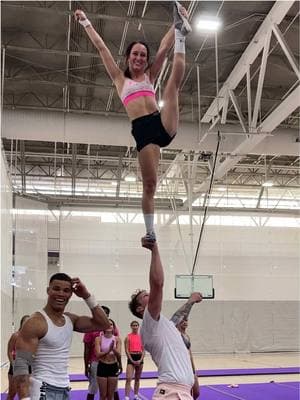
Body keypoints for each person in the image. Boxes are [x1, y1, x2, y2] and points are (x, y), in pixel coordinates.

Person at [74, 2, 192, 245]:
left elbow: (163, 47)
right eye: (135, 54)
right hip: (143, 132)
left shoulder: (150, 75)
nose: (139, 58)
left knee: (172, 88)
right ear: (128, 57)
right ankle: (150, 231)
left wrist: (176, 23)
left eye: (142, 55)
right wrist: (86, 22)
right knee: (150, 185)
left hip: (161, 123)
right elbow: (101, 47)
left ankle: (182, 33)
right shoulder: (119, 79)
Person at [13, 273, 110, 400]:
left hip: (64, 388)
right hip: (43, 389)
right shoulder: (35, 322)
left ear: (71, 294)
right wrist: (25, 398)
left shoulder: (71, 319)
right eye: (56, 289)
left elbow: (103, 323)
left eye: (66, 290)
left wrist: (86, 295)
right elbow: (21, 363)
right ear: (48, 290)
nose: (61, 294)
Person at [128, 240, 202, 400]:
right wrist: (154, 249)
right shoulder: (148, 323)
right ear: (140, 309)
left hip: (181, 392)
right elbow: (158, 284)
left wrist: (190, 302)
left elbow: (177, 318)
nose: (151, 294)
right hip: (171, 393)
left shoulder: (163, 326)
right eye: (146, 296)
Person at [83, 305, 121, 400]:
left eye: (105, 314)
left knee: (114, 389)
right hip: (96, 362)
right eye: (101, 314)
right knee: (94, 386)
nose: (103, 316)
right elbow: (87, 349)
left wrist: (119, 363)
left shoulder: (113, 329)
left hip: (112, 362)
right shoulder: (91, 329)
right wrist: (86, 365)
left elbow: (117, 347)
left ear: (108, 315)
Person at [171, 294, 202, 400]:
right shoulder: (175, 333)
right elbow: (177, 316)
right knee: (185, 393)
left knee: (196, 392)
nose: (185, 322)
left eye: (186, 321)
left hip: (190, 367)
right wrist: (191, 303)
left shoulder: (186, 336)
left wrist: (194, 369)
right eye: (183, 321)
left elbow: (190, 354)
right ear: (179, 323)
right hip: (181, 368)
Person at [94, 319, 122, 400]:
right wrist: (108, 350)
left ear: (113, 327)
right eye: (107, 324)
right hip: (102, 366)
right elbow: (98, 354)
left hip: (113, 366)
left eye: (111, 324)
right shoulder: (98, 339)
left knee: (110, 395)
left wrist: (113, 349)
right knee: (103, 395)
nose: (109, 326)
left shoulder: (117, 339)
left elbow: (119, 354)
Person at [6, 315, 30, 400]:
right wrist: (13, 364)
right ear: (21, 324)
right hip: (16, 366)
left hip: (27, 366)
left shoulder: (31, 337)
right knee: (12, 393)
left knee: (25, 393)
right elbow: (9, 351)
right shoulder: (15, 336)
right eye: (25, 322)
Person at [124, 321, 145, 400]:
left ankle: (136, 395)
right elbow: (126, 350)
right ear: (131, 326)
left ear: (138, 326)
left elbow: (143, 350)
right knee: (128, 378)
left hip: (139, 357)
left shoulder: (141, 337)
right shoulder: (128, 337)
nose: (135, 327)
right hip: (131, 356)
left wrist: (141, 359)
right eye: (133, 325)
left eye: (136, 325)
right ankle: (127, 396)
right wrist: (131, 360)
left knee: (137, 378)